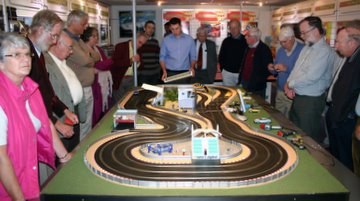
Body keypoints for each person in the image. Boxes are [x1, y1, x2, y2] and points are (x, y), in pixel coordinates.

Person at [0, 33, 68, 201]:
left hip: (28, 176)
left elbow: (46, 123)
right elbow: (1, 158)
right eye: (16, 55)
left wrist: (65, 157)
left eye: (27, 54)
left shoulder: (31, 88)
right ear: (1, 63)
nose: (25, 59)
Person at [28, 10, 77, 145]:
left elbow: (46, 89)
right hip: (35, 124)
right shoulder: (26, 54)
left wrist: (63, 109)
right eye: (54, 36)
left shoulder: (39, 53)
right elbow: (31, 99)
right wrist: (55, 123)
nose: (55, 41)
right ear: (41, 29)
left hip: (45, 120)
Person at [285, 16, 335, 142]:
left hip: (311, 101)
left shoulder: (324, 51)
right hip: (298, 96)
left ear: (315, 31)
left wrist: (290, 84)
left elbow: (312, 77)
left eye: (304, 32)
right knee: (295, 132)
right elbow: (296, 69)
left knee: (307, 137)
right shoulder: (307, 48)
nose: (301, 36)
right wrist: (288, 84)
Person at [326, 21, 360, 171]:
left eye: (339, 42)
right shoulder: (349, 57)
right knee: (336, 157)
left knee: (346, 161)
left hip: (346, 121)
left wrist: (343, 117)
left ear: (352, 42)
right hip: (337, 115)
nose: (336, 46)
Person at [45, 31, 86, 153]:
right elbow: (47, 96)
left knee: (73, 150)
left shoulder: (63, 61)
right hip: (61, 118)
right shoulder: (46, 64)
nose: (71, 51)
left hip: (73, 113)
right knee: (63, 154)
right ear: (56, 45)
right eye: (69, 47)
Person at [65, 10, 95, 140]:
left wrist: (88, 58)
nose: (86, 26)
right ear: (73, 23)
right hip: (78, 89)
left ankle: (85, 145)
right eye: (83, 23)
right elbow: (85, 60)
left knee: (87, 123)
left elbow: (95, 56)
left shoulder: (78, 39)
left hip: (87, 87)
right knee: (80, 123)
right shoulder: (67, 39)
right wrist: (88, 58)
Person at [268, 26, 304, 118]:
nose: (283, 44)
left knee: (290, 121)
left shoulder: (302, 50)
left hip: (293, 92)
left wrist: (286, 69)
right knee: (278, 118)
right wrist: (272, 68)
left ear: (292, 38)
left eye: (285, 42)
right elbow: (275, 73)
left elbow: (303, 73)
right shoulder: (280, 51)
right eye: (281, 42)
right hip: (280, 91)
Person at [81, 27, 113, 126]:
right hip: (93, 84)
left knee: (104, 107)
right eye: (93, 36)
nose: (96, 38)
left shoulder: (98, 49)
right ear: (87, 37)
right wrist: (108, 62)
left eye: (97, 36)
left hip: (103, 82)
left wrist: (106, 64)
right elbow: (100, 64)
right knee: (95, 110)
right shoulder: (83, 49)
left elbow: (104, 64)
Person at [111, 32, 148, 102]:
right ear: (134, 38)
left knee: (130, 101)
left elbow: (142, 66)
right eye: (139, 42)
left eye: (142, 44)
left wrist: (138, 62)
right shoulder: (121, 46)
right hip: (120, 80)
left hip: (132, 80)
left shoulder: (139, 49)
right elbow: (115, 63)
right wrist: (130, 61)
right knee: (119, 103)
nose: (140, 45)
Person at [238, 27, 272, 99]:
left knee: (257, 107)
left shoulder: (264, 49)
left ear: (254, 38)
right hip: (245, 83)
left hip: (257, 88)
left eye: (248, 36)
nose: (245, 37)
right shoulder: (248, 47)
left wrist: (257, 80)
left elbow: (268, 69)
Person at [160, 17, 196, 84]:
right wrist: (164, 71)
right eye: (172, 29)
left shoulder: (189, 39)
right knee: (171, 94)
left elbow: (193, 56)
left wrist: (192, 67)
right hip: (170, 72)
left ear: (181, 26)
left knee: (184, 93)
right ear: (170, 28)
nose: (175, 31)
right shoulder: (166, 40)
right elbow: (162, 57)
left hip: (185, 73)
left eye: (177, 28)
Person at [219, 19, 247, 86]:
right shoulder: (226, 41)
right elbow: (221, 56)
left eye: (235, 27)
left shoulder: (246, 41)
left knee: (241, 94)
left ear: (240, 28)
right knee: (229, 94)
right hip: (227, 74)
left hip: (242, 74)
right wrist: (222, 69)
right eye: (231, 28)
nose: (233, 30)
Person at [138, 20, 161, 86]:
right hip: (143, 74)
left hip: (154, 74)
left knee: (153, 94)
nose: (151, 30)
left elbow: (158, 57)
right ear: (144, 28)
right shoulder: (139, 41)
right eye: (149, 27)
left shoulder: (155, 41)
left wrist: (158, 71)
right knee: (143, 94)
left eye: (153, 28)